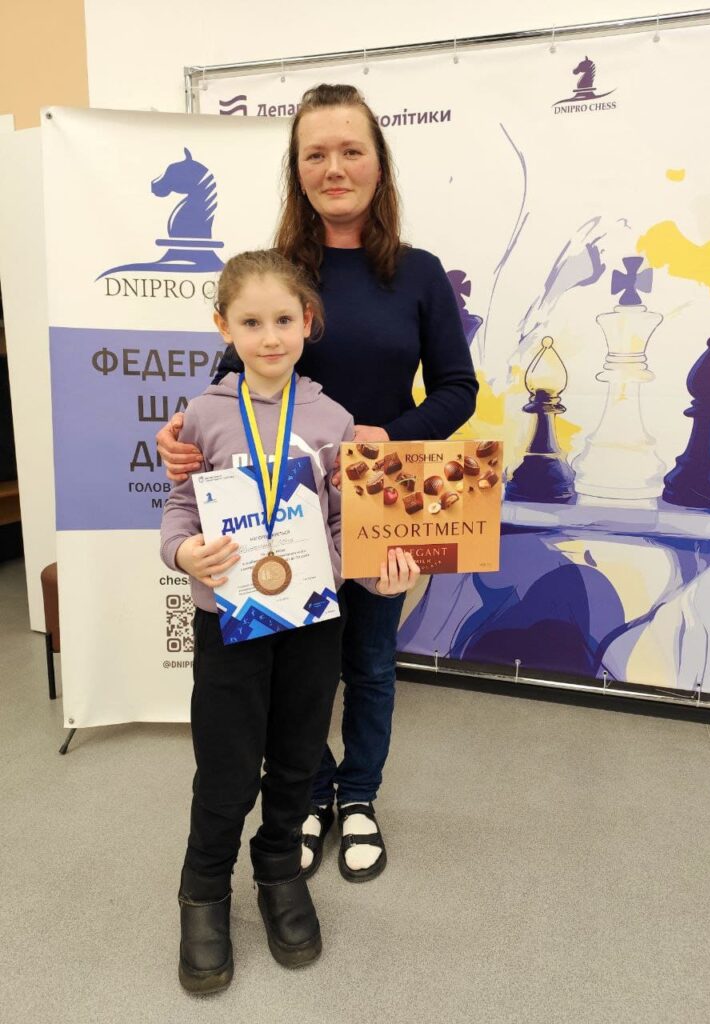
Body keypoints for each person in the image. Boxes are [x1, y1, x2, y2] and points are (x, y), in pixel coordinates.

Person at [157, 83, 478, 885]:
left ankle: (359, 796)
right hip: (279, 512)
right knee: (295, 672)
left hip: (376, 496)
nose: (334, 167)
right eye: (316, 154)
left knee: (368, 662)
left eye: (351, 150)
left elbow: (457, 389)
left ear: (378, 162)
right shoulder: (279, 273)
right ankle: (308, 795)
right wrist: (179, 433)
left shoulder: (419, 274)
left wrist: (386, 435)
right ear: (297, 170)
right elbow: (230, 382)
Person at [160, 249, 419, 993]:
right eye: (251, 322)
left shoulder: (333, 419)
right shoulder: (203, 415)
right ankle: (204, 888)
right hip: (229, 621)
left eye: (283, 319)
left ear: (307, 321)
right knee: (227, 766)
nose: (269, 336)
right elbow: (179, 508)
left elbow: (346, 524)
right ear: (224, 327)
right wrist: (185, 553)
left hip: (311, 620)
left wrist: (376, 569)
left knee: (299, 756)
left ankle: (278, 870)